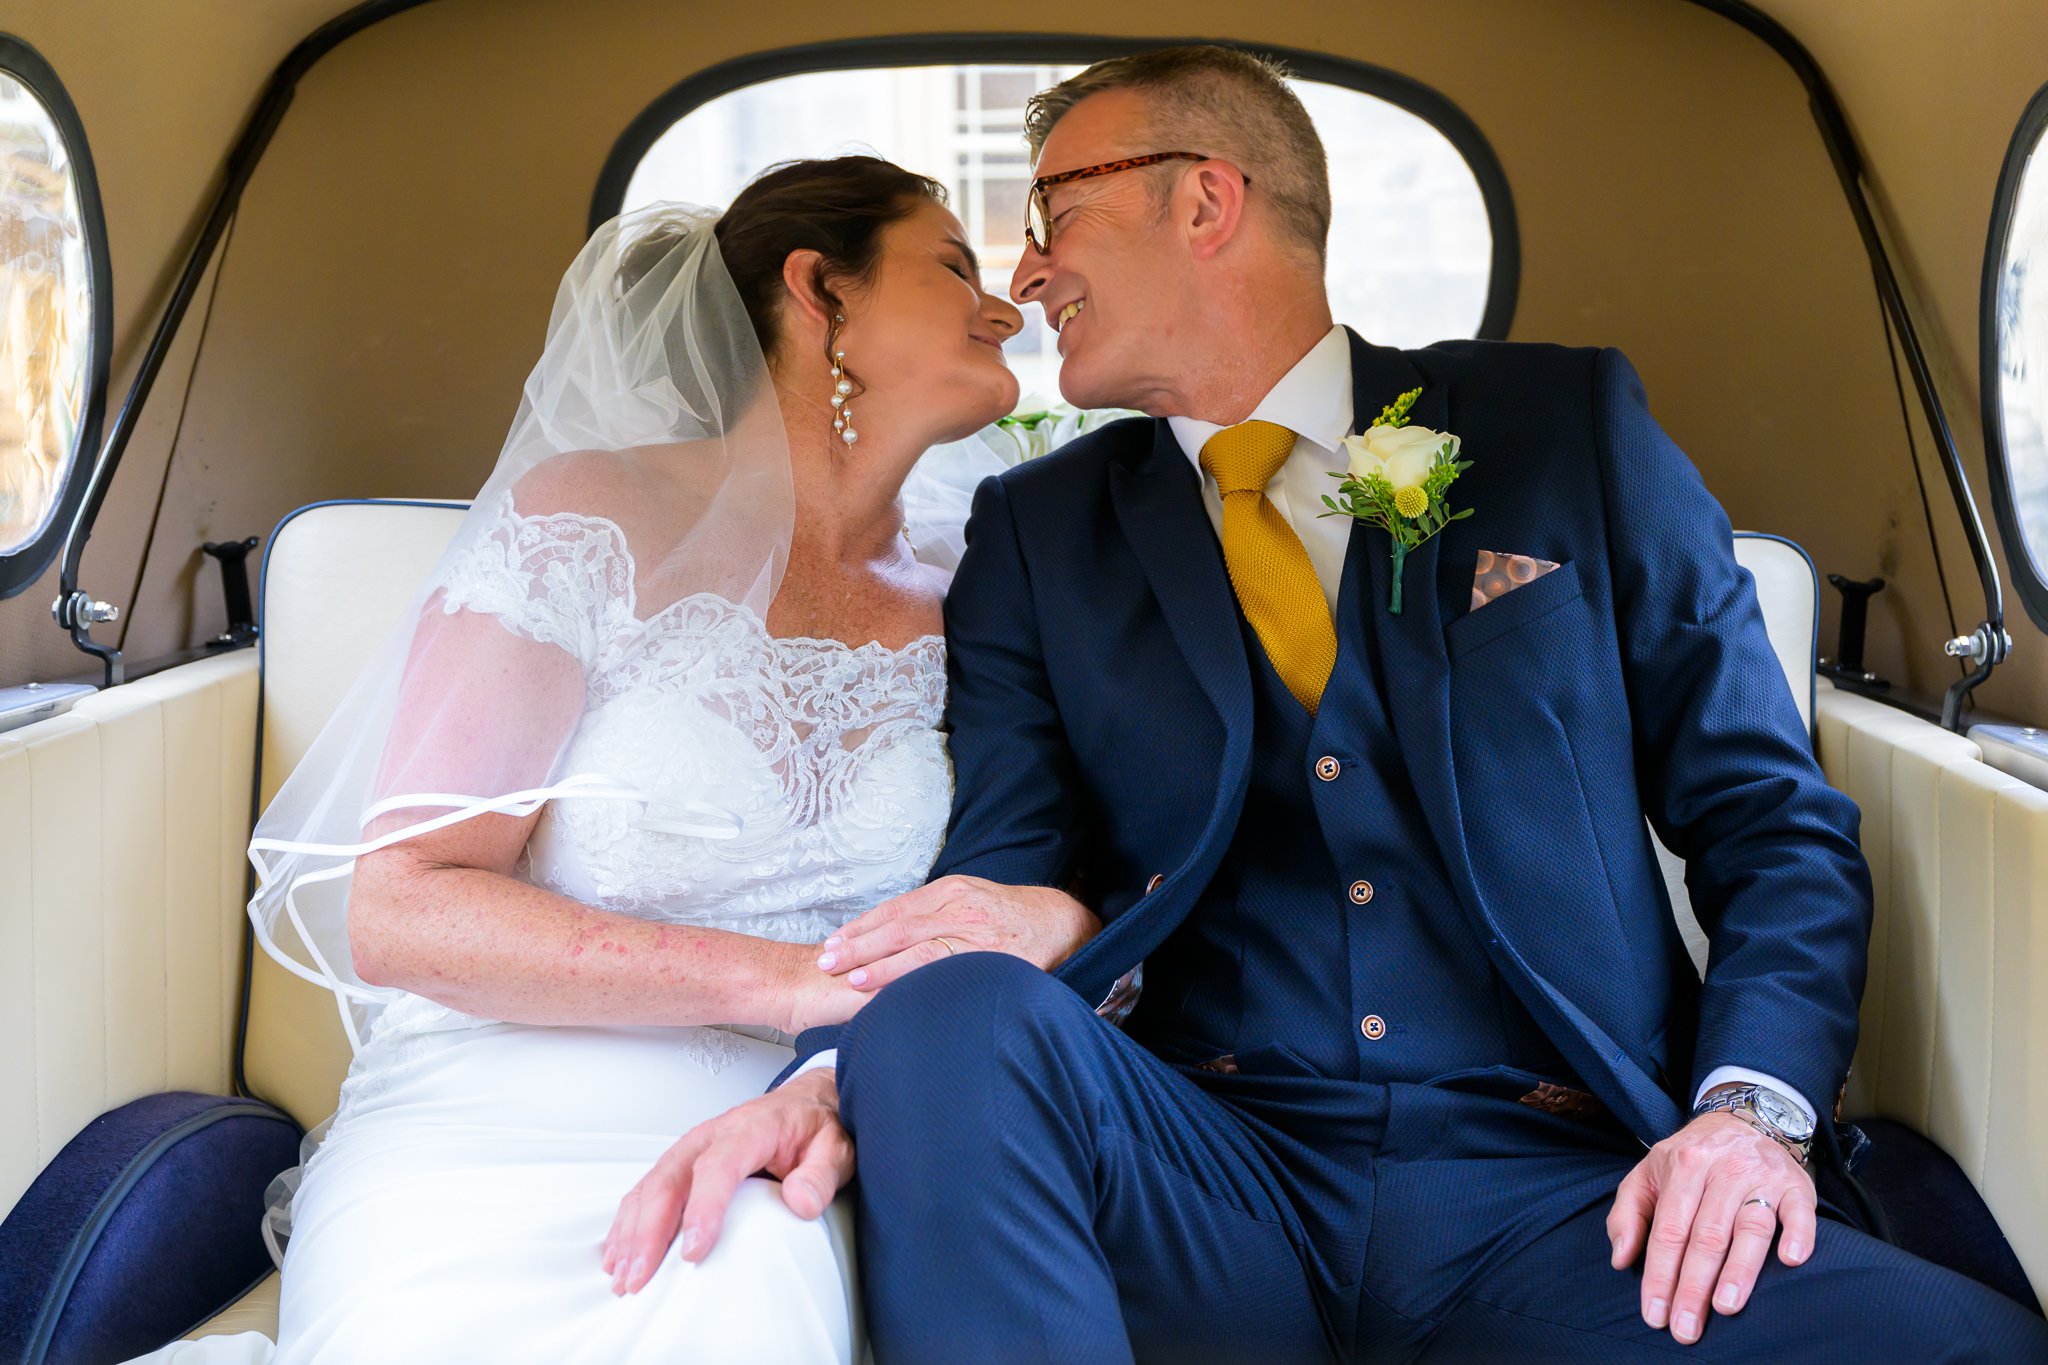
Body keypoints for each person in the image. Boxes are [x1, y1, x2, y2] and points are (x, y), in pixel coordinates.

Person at [605, 48, 2048, 1362]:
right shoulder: (1038, 535)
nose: (1027, 274)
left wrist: (1748, 1121)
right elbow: (999, 870)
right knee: (953, 1018)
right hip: (1207, 1170)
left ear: (1206, 203)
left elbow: (1770, 823)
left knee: (1968, 1346)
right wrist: (842, 1063)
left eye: (1053, 213)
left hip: (1565, 1198)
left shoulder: (1565, 433)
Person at [145, 158, 1095, 1365]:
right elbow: (403, 910)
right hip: (499, 1118)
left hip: (808, 1125)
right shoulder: (585, 521)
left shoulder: (981, 599)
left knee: (739, 1301)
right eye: (954, 267)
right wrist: (790, 979)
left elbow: (1041, 880)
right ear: (820, 292)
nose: (1004, 304)